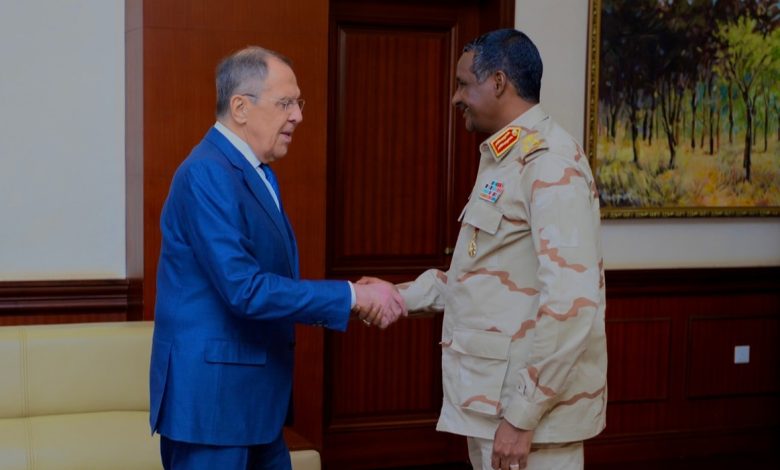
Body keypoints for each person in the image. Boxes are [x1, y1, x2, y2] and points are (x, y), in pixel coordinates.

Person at [149, 46, 405, 470]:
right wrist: (350, 297)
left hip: (252, 403)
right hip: (214, 409)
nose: (298, 116)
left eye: (299, 103)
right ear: (240, 107)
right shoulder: (206, 172)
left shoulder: (256, 171)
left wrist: (352, 295)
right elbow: (244, 289)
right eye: (285, 103)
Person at [390, 29, 607, 470]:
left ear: (499, 82)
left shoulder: (549, 162)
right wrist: (391, 297)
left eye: (463, 84)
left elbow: (572, 304)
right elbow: (479, 279)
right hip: (496, 407)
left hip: (529, 421)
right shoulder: (505, 158)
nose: (456, 98)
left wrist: (522, 416)